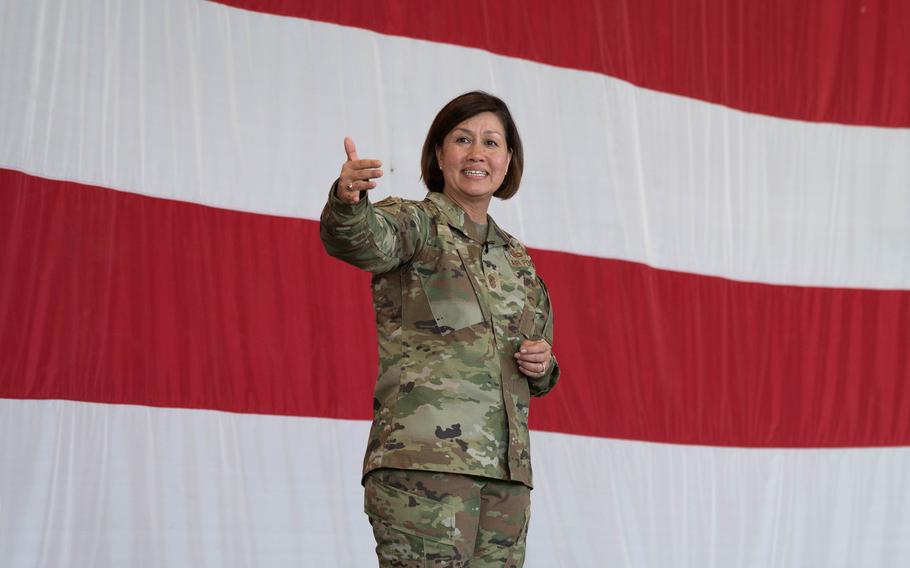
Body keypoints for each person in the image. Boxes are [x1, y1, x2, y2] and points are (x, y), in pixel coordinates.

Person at [320, 91, 560, 567]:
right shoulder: (415, 223)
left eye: (491, 142)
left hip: (506, 481)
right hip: (424, 473)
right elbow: (361, 238)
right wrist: (347, 200)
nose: (477, 153)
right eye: (462, 139)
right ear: (439, 153)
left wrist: (543, 363)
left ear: (508, 160)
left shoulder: (517, 259)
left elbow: (543, 366)